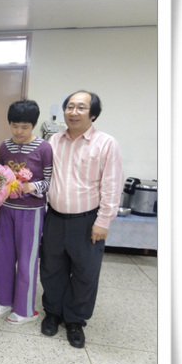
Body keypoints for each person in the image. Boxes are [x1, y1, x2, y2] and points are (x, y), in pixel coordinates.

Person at [40, 90, 123, 348]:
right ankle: (53, 312)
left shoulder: (106, 143)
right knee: (52, 268)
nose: (73, 112)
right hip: (54, 217)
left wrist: (103, 221)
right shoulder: (53, 141)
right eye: (70, 107)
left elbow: (112, 184)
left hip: (87, 221)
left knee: (85, 272)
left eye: (81, 107)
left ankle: (75, 320)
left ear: (93, 114)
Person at [0, 100, 53, 324]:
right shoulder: (5, 146)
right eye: (14, 126)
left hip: (31, 212)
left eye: (24, 127)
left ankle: (25, 309)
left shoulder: (44, 147)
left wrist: (31, 187)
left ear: (33, 125)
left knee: (27, 260)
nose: (19, 131)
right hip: (7, 210)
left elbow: (50, 182)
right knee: (2, 256)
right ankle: (4, 300)